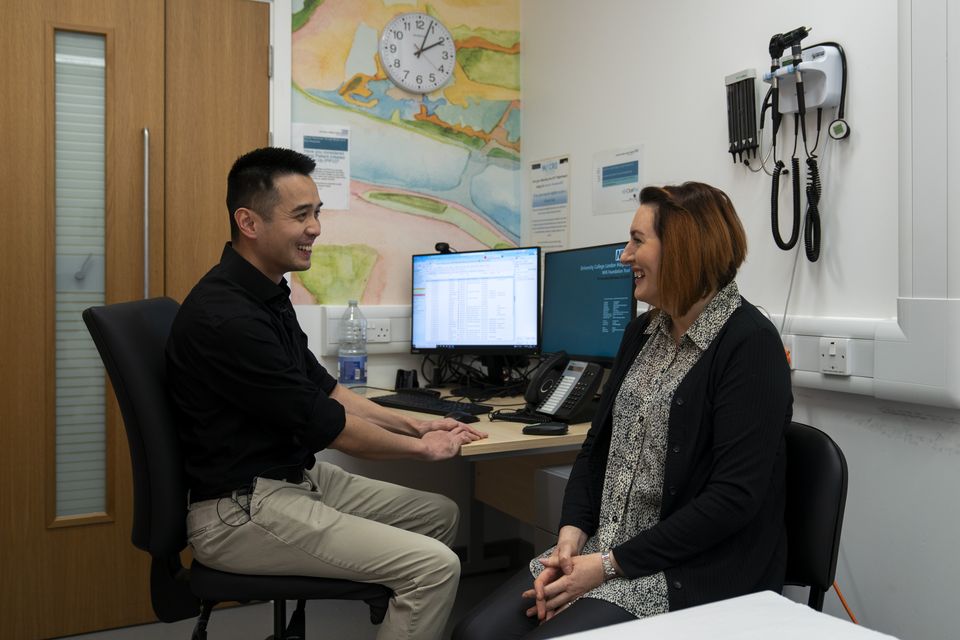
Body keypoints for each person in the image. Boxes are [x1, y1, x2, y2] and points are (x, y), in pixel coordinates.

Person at [166, 147, 487, 640]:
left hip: (290, 480)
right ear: (248, 222)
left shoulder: (267, 292)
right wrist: (422, 449)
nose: (316, 227)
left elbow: (325, 388)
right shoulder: (227, 317)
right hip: (239, 511)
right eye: (301, 215)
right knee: (435, 567)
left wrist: (416, 423)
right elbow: (327, 425)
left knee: (439, 515)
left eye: (316, 212)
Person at [453, 182, 792, 639]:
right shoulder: (642, 333)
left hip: (687, 570)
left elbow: (732, 500)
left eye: (637, 241)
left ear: (684, 248)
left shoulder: (749, 344)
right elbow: (596, 450)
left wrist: (607, 566)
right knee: (475, 633)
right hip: (603, 554)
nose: (624, 257)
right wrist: (571, 537)